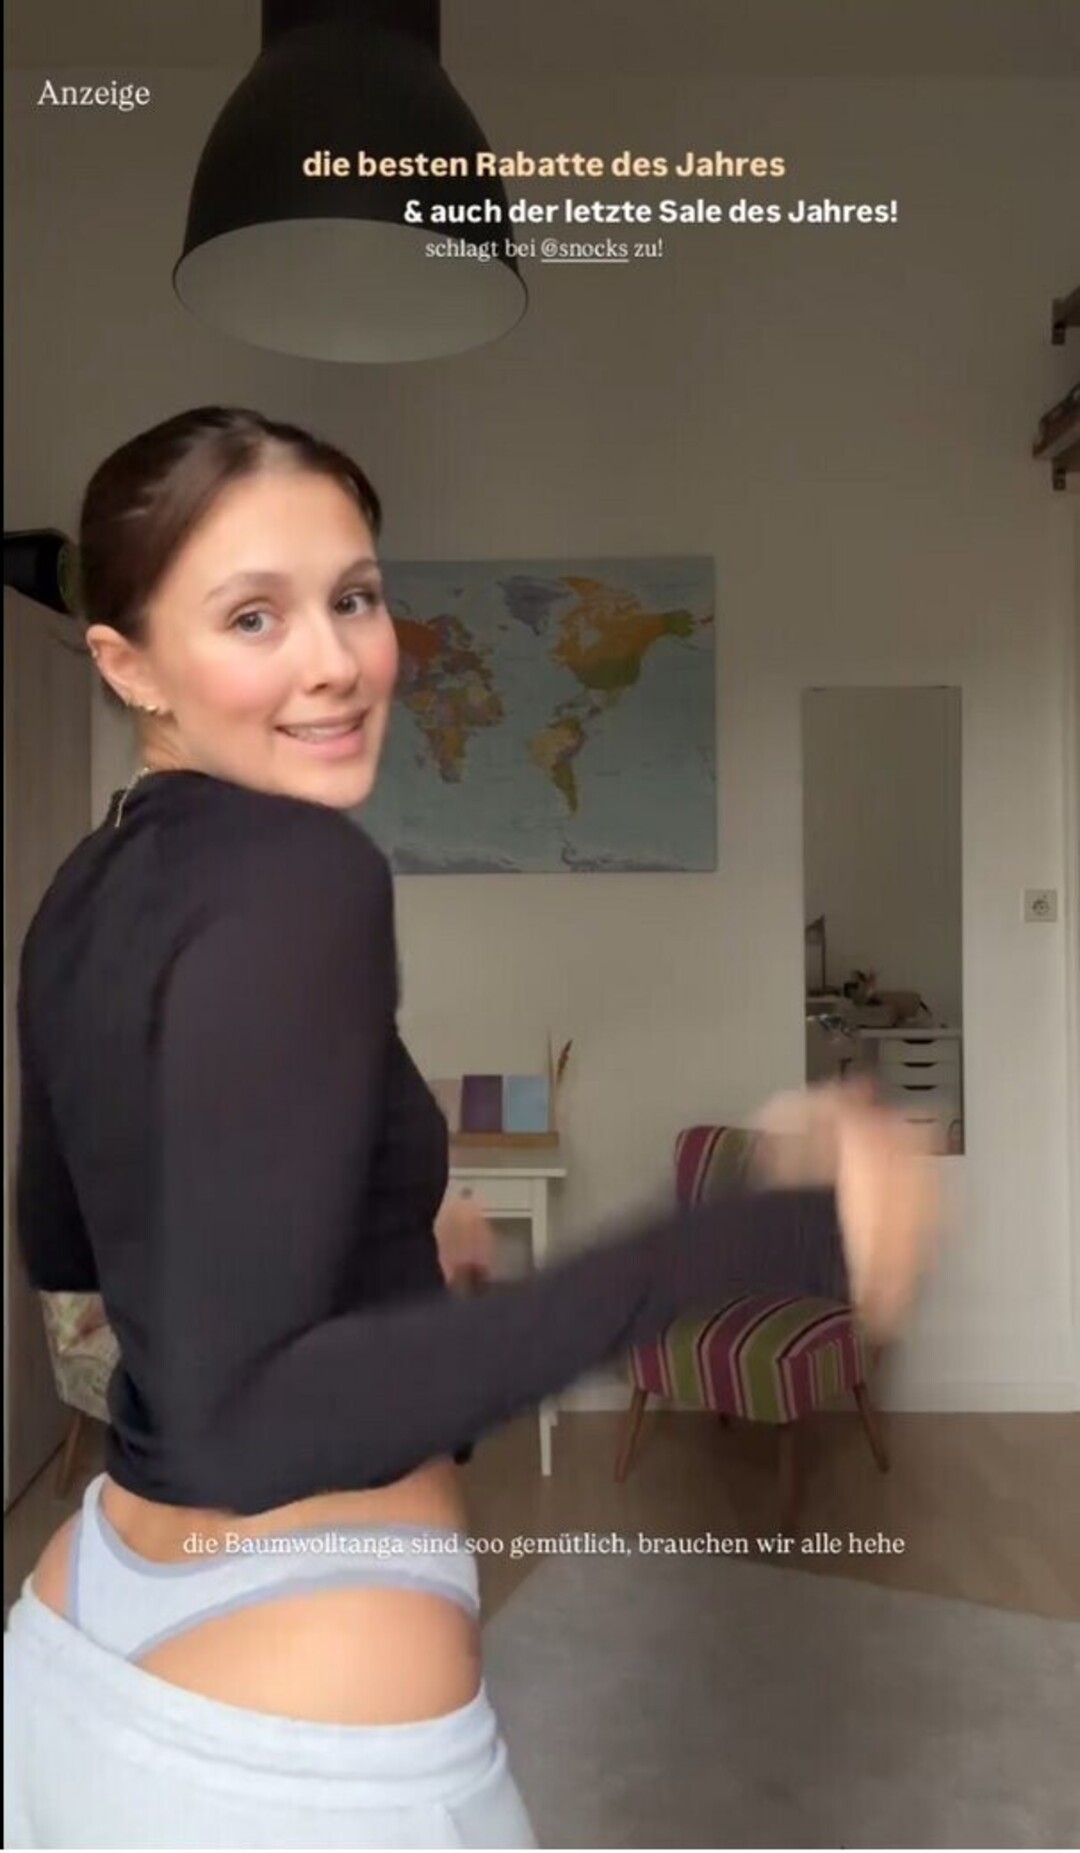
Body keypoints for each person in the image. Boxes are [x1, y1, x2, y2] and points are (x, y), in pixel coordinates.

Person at [3, 406, 938, 1851]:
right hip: (293, 1719)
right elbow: (256, 1417)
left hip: (86, 1625)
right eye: (253, 615)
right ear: (129, 663)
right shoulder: (307, 871)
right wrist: (776, 1230)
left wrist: (374, 1220)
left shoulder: (79, 892)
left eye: (354, 598)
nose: (335, 661)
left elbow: (65, 1237)